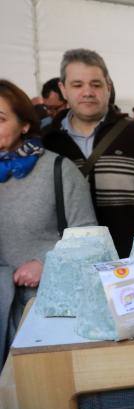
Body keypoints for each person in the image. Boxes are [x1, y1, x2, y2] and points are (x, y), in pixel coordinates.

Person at [42, 48, 134, 257]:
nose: (87, 92)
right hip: (72, 264)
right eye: (77, 85)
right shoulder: (48, 142)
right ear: (63, 89)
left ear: (108, 87)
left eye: (96, 84)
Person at [0, 79, 96, 355]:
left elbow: (87, 235)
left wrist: (45, 262)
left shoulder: (57, 169)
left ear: (25, 124)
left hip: (39, 307)